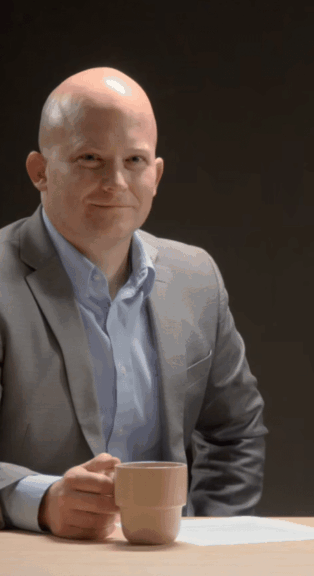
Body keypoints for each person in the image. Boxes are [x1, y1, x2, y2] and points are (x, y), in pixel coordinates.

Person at [0, 68, 267, 539]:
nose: (117, 182)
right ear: (40, 172)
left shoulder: (197, 278)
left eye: (135, 160)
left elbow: (236, 434)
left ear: (157, 174)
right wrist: (39, 501)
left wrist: (210, 540)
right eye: (89, 158)